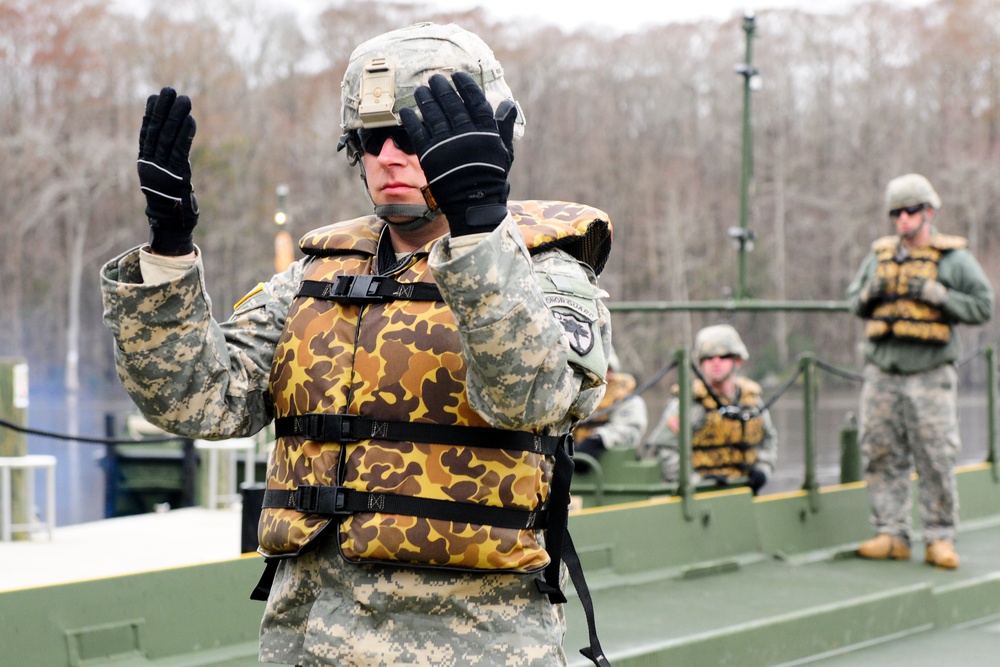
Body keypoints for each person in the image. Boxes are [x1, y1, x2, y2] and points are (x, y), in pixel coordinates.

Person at [100, 22, 614, 667]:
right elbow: (198, 401)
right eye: (371, 140)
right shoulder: (317, 277)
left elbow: (534, 399)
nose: (389, 157)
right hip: (308, 638)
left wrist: (481, 230)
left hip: (475, 642)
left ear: (489, 139)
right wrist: (169, 251)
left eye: (416, 136)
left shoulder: (547, 274)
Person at [847, 173, 994, 570]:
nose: (902, 220)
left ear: (928, 212)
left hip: (929, 372)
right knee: (879, 450)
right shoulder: (878, 257)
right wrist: (869, 294)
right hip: (883, 371)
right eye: (896, 213)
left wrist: (938, 295)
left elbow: (983, 306)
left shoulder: (953, 259)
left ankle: (939, 537)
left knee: (935, 455)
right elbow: (854, 303)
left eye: (910, 211)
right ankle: (890, 532)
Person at [641, 324, 777, 495]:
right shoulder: (688, 403)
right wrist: (698, 482)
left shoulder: (752, 400)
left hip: (744, 493)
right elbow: (664, 449)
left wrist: (763, 470)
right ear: (700, 363)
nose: (716, 362)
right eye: (708, 357)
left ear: (738, 361)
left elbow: (769, 440)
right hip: (700, 498)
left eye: (723, 356)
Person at [572, 347, 648, 468]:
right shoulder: (572, 394)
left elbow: (631, 433)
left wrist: (598, 440)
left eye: (608, 369)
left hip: (610, 467)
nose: (602, 374)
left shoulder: (628, 400)